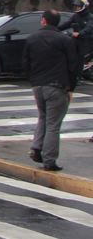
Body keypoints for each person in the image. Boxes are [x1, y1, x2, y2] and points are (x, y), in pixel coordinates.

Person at [23, 9, 78, 172]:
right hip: (56, 85)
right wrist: (70, 88)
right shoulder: (64, 40)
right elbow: (73, 66)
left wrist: (33, 80)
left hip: (38, 85)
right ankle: (49, 160)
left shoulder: (31, 38)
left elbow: (25, 64)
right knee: (53, 124)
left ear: (44, 20)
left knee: (43, 117)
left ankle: (36, 148)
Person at [58, 0, 92, 81]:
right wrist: (55, 28)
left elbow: (89, 28)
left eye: (79, 6)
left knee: (80, 57)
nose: (77, 8)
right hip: (76, 39)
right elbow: (66, 24)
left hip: (86, 40)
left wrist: (79, 33)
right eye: (76, 7)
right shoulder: (75, 16)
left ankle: (78, 77)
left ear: (84, 6)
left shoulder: (90, 17)